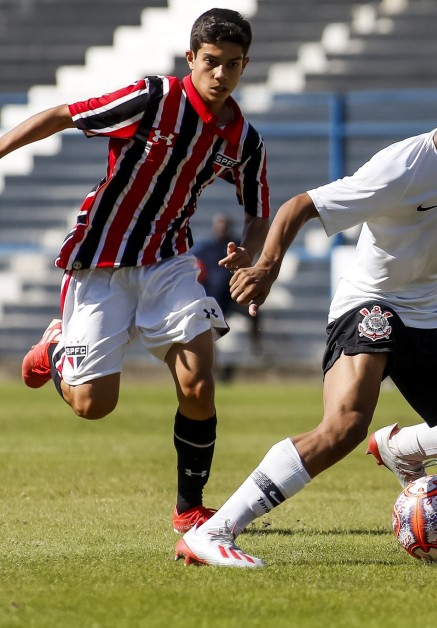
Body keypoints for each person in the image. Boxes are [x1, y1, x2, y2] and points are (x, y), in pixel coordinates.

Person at [173, 57, 437, 568]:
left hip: (428, 315)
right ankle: (213, 531)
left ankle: (404, 448)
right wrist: (267, 268)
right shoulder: (403, 168)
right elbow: (299, 205)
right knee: (343, 426)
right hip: (369, 305)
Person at [3, 8, 270, 533]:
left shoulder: (242, 138)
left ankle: (189, 508)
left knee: (198, 383)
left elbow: (259, 208)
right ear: (191, 58)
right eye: (212, 62)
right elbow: (63, 114)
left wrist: (252, 254)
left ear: (244, 65)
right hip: (101, 259)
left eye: (234, 65)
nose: (222, 75)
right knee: (92, 406)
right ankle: (57, 346)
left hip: (169, 261)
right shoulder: (155, 97)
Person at [192, 212, 264, 370]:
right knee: (210, 332)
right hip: (214, 299)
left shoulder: (238, 246)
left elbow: (256, 251)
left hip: (234, 296)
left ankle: (256, 348)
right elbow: (190, 261)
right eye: (219, 224)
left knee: (254, 313)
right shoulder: (205, 247)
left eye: (225, 225)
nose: (222, 228)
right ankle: (213, 364)